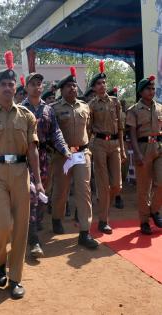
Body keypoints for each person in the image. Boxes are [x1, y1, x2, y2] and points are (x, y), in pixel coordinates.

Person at [0, 50, 44, 299]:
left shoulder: (27, 116)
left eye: (11, 83)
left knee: (20, 228)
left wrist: (37, 181)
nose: (7, 87)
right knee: (2, 224)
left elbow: (34, 151)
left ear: (16, 87)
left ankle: (16, 278)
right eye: (3, 84)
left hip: (20, 171)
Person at [22, 73, 71, 258]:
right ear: (26, 87)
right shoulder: (20, 109)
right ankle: (33, 238)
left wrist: (65, 149)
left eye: (39, 84)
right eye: (33, 84)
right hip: (24, 159)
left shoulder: (48, 110)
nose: (37, 87)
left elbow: (55, 132)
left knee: (42, 195)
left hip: (43, 157)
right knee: (31, 195)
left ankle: (33, 226)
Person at [51, 67, 99, 249]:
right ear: (61, 90)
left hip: (82, 154)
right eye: (69, 86)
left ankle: (85, 232)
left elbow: (89, 128)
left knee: (84, 190)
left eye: (74, 85)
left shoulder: (85, 107)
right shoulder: (53, 109)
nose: (73, 88)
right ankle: (57, 217)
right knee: (61, 191)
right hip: (63, 156)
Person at [88, 61, 126, 234]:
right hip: (99, 145)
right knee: (104, 185)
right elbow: (88, 129)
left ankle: (103, 206)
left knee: (117, 185)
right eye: (98, 84)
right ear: (94, 88)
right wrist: (89, 148)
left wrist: (123, 149)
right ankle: (103, 220)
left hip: (115, 144)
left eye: (104, 83)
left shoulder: (115, 102)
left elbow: (120, 127)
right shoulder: (91, 106)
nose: (102, 86)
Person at [126, 75, 162, 234]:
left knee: (161, 182)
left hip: (159, 147)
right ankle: (144, 221)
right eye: (148, 88)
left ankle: (154, 210)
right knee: (143, 188)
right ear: (141, 92)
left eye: (153, 88)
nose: (152, 91)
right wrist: (137, 153)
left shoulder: (160, 108)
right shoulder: (133, 110)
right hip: (143, 148)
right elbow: (132, 134)